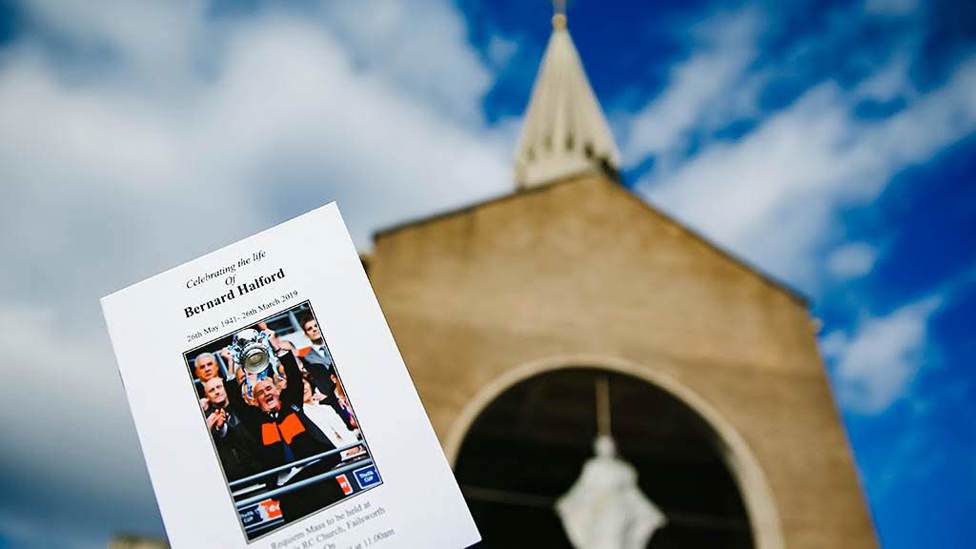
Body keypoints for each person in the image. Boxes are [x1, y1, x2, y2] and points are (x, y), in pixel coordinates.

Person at [239, 351, 346, 522]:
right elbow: (239, 408)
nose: (266, 393)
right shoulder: (257, 423)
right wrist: (242, 377)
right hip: (289, 489)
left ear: (277, 390)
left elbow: (295, 378)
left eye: (269, 388)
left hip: (317, 475)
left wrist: (281, 352)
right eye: (260, 393)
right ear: (256, 401)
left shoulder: (291, 405)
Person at [201, 377, 262, 481]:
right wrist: (219, 427)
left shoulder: (242, 406)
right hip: (234, 475)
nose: (216, 392)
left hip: (259, 466)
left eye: (219, 387)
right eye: (212, 390)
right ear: (207, 397)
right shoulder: (208, 419)